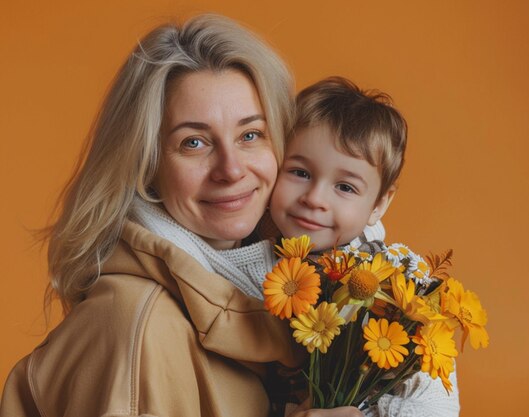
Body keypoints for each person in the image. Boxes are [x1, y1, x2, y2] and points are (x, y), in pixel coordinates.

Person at [0, 14, 362, 417]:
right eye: (194, 142)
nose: (231, 169)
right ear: (147, 166)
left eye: (250, 135)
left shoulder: (277, 302)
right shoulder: (138, 324)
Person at [269, 77, 461, 417]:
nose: (314, 199)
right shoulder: (251, 258)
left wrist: (364, 411)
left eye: (344, 186)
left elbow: (438, 405)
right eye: (299, 172)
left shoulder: (393, 282)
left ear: (379, 204)